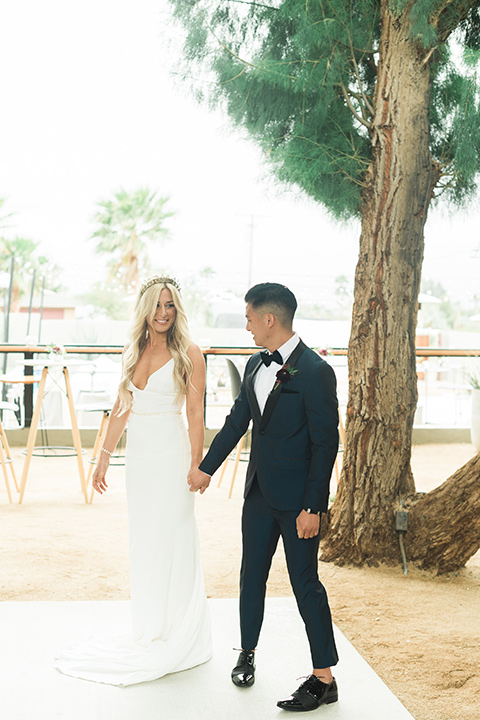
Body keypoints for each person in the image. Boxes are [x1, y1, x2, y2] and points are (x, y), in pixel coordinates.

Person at [188, 282, 339, 712]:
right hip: (257, 496)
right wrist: (205, 468)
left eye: (250, 318)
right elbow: (238, 421)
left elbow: (326, 444)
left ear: (270, 319)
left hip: (298, 505)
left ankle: (324, 678)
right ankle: (247, 654)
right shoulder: (255, 364)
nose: (248, 326)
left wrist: (313, 506)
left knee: (305, 585)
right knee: (250, 576)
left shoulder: (315, 371)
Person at [55, 275, 212, 686]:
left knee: (174, 535)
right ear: (144, 309)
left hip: (172, 454)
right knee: (145, 539)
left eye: (170, 305)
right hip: (140, 458)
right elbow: (121, 407)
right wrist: (103, 459)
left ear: (177, 310)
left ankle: (178, 628)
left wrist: (198, 464)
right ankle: (150, 626)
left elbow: (196, 414)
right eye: (157, 305)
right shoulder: (133, 349)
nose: (163, 313)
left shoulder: (189, 353)